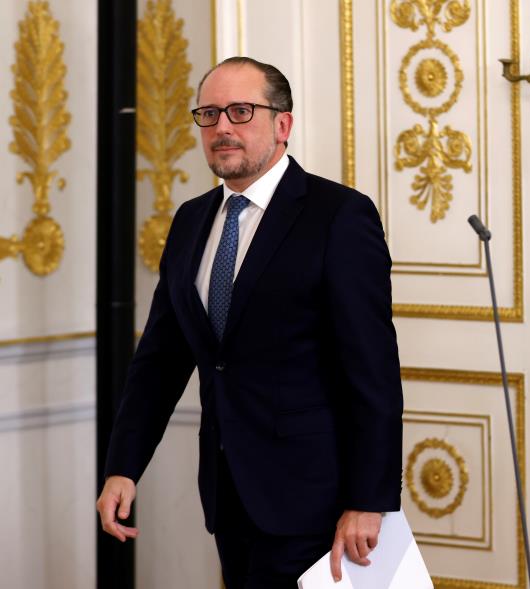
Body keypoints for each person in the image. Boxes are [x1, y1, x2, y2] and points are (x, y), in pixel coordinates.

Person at [96, 56, 403, 587]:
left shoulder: (339, 216)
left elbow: (372, 372)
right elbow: (160, 362)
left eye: (241, 112)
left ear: (282, 125)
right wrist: (123, 465)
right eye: (209, 114)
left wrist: (367, 501)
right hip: (229, 497)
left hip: (320, 504)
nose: (222, 129)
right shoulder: (191, 220)